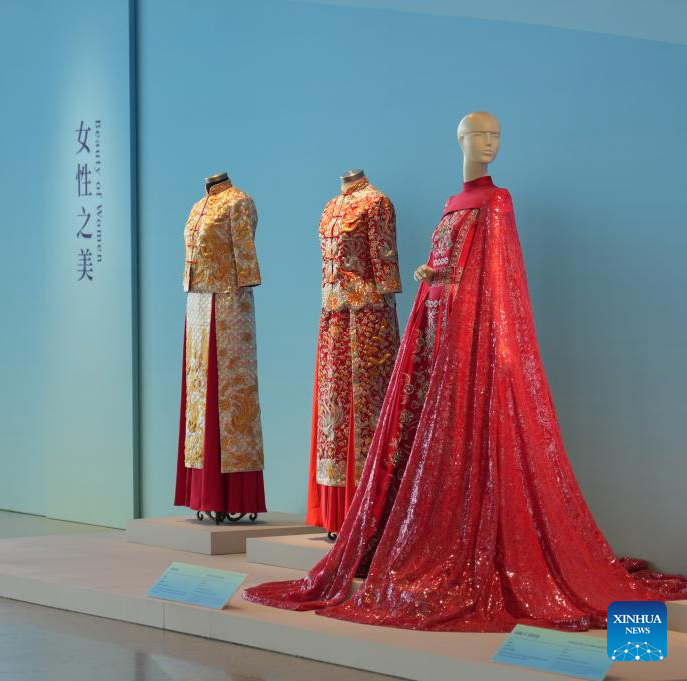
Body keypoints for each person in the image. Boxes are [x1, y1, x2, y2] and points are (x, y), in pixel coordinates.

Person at [242, 113, 687, 631]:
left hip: (471, 334)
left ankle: (511, 566)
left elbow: (499, 274)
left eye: (497, 135)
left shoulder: (496, 202)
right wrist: (432, 277)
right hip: (437, 329)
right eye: (481, 135)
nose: (491, 144)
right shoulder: (454, 204)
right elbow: (452, 264)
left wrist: (477, 322)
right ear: (462, 140)